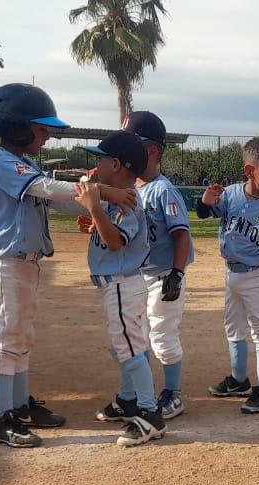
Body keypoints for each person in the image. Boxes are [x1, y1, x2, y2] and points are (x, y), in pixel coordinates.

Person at [0, 83, 136, 446]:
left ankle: (18, 406)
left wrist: (98, 204)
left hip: (25, 263)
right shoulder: (2, 162)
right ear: (16, 127)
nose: (47, 137)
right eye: (41, 130)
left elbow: (61, 201)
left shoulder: (24, 163)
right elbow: (47, 190)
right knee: (6, 340)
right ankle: (1, 419)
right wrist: (104, 192)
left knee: (20, 338)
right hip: (5, 263)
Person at [75, 131, 164, 446]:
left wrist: (95, 208)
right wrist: (95, 218)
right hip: (118, 285)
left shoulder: (127, 202)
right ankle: (128, 400)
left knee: (130, 347)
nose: (96, 164)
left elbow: (115, 244)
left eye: (100, 159)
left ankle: (150, 414)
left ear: (116, 164)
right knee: (123, 345)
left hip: (123, 285)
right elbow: (109, 235)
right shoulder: (117, 199)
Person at [198, 138, 259, 414]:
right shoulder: (230, 194)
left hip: (257, 275)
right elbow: (206, 212)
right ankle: (239, 380)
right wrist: (205, 202)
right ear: (250, 170)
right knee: (233, 328)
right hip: (232, 274)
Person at [125, 111, 193, 420]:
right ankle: (135, 395)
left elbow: (181, 235)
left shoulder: (163, 190)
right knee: (137, 335)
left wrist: (177, 275)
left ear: (152, 151)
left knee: (163, 336)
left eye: (132, 145)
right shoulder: (132, 189)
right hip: (139, 276)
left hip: (165, 275)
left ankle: (173, 394)